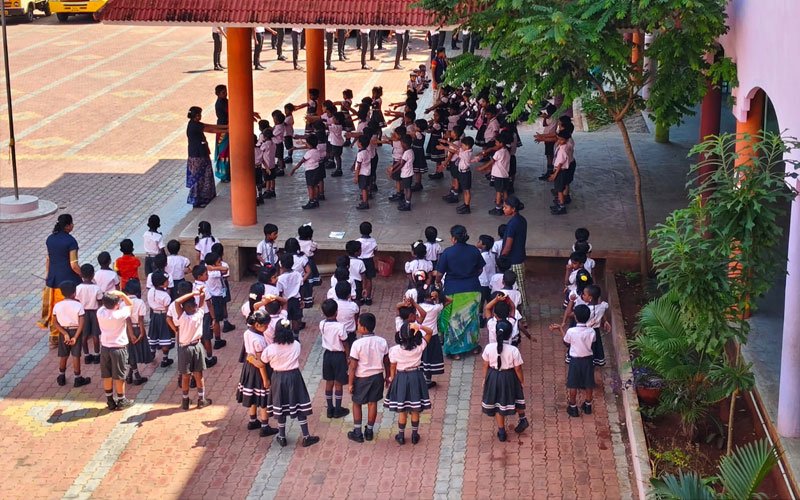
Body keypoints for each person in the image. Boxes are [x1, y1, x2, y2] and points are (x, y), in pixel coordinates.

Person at [261, 320, 320, 447]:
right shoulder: (296, 345)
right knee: (300, 405)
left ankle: (282, 436)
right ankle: (306, 436)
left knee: (280, 406)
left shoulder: (270, 349)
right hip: (294, 376)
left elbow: (263, 360)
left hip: (278, 378)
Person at [433, 225, 484, 360]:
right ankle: (473, 346)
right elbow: (480, 269)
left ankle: (455, 351)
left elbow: (439, 274)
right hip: (473, 289)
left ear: (454, 238)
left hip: (453, 291)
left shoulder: (448, 253)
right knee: (472, 320)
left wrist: (438, 283)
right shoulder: (474, 250)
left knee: (454, 321)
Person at [385, 322, 433, 445]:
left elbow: (392, 367)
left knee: (402, 410)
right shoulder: (420, 346)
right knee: (415, 408)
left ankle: (401, 436)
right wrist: (419, 327)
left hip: (401, 377)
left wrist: (392, 380)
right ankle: (414, 435)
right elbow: (430, 332)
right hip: (416, 377)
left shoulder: (394, 350)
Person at [480, 320, 528, 441]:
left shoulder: (489, 347)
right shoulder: (513, 350)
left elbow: (485, 365)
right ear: (510, 334)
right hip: (509, 377)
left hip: (493, 377)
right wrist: (521, 381)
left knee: (497, 404)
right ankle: (522, 419)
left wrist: (485, 379)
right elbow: (518, 368)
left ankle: (501, 432)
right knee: (516, 397)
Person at [348, 313, 389, 443]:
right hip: (377, 377)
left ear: (364, 328)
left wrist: (350, 383)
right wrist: (388, 376)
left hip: (362, 378)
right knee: (373, 403)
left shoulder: (357, 344)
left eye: (358, 324)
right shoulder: (382, 341)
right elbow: (386, 361)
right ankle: (369, 431)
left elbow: (353, 366)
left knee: (357, 403)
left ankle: (357, 432)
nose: (357, 326)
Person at [238, 309, 280, 436]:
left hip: (249, 367)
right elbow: (261, 362)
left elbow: (250, 355)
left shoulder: (247, 332)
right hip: (259, 371)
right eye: (265, 326)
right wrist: (265, 379)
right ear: (257, 325)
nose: (267, 328)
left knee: (253, 394)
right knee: (263, 398)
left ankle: (252, 420)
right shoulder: (259, 340)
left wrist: (251, 359)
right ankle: (265, 426)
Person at [40, 214, 82, 339]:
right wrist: (83, 275)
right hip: (68, 281)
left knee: (55, 309)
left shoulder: (50, 239)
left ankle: (55, 336)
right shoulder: (71, 241)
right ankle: (70, 334)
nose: (73, 225)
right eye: (72, 223)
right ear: (67, 226)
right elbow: (74, 265)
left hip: (53, 280)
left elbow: (48, 259)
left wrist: (48, 276)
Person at [550, 305, 596, 417]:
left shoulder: (571, 331)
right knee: (589, 383)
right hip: (588, 360)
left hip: (575, 361)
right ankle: (588, 405)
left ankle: (573, 407)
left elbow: (566, 343)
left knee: (573, 384)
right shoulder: (592, 331)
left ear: (575, 317)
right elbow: (593, 342)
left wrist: (560, 329)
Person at [174, 287, 213, 410]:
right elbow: (202, 300)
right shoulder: (199, 315)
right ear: (194, 307)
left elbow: (177, 302)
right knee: (198, 374)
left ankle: (185, 400)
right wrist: (200, 292)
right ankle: (201, 399)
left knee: (185, 375)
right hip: (197, 346)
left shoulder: (182, 318)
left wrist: (192, 293)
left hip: (184, 348)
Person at [97, 291, 135, 411]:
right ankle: (121, 399)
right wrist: (122, 294)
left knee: (107, 375)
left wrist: (110, 296)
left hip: (105, 347)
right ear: (117, 304)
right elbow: (131, 304)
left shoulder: (100, 312)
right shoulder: (120, 314)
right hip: (118, 348)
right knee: (119, 376)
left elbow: (105, 304)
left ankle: (110, 400)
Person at [52, 281, 90, 388]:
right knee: (76, 355)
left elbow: (55, 322)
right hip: (75, 331)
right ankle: (77, 378)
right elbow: (81, 323)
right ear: (74, 293)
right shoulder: (78, 305)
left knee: (63, 355)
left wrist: (65, 333)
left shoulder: (57, 306)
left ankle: (61, 376)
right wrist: (75, 337)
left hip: (63, 332)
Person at [185, 106, 226, 208]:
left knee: (206, 175)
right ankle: (197, 200)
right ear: (195, 116)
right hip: (197, 155)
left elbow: (209, 125)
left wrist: (227, 127)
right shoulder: (194, 125)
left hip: (202, 153)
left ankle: (207, 197)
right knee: (199, 178)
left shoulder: (195, 124)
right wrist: (228, 130)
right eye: (199, 114)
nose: (200, 116)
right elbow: (210, 129)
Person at [320, 299, 351, 419]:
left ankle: (330, 408)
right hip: (339, 356)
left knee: (329, 381)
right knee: (338, 382)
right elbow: (345, 343)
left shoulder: (322, 324)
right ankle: (338, 409)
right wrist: (348, 356)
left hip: (327, 355)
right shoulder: (340, 327)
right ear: (337, 312)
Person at [500, 196, 528, 317]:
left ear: (513, 209)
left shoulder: (512, 224)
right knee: (520, 288)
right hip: (520, 258)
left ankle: (522, 316)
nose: (503, 209)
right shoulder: (522, 220)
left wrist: (502, 257)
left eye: (506, 207)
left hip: (514, 261)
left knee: (518, 289)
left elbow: (508, 245)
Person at [76, 264, 102, 365]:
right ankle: (97, 355)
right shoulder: (96, 288)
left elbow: (77, 301)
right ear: (93, 275)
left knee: (84, 335)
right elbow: (100, 301)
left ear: (81, 275)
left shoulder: (78, 288)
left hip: (83, 313)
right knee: (95, 335)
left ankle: (86, 355)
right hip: (94, 312)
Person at [147, 272, 174, 367]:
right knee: (165, 337)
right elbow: (168, 310)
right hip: (163, 317)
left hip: (154, 315)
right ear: (161, 283)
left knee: (154, 335)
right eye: (166, 281)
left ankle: (152, 353)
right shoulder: (165, 296)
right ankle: (165, 359)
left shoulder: (151, 291)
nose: (168, 282)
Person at [356, 222, 378, 305]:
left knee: (360, 279)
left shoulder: (358, 241)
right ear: (371, 230)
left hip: (359, 261)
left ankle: (361, 297)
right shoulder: (373, 241)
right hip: (369, 261)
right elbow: (375, 251)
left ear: (360, 231)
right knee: (369, 279)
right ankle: (368, 298)